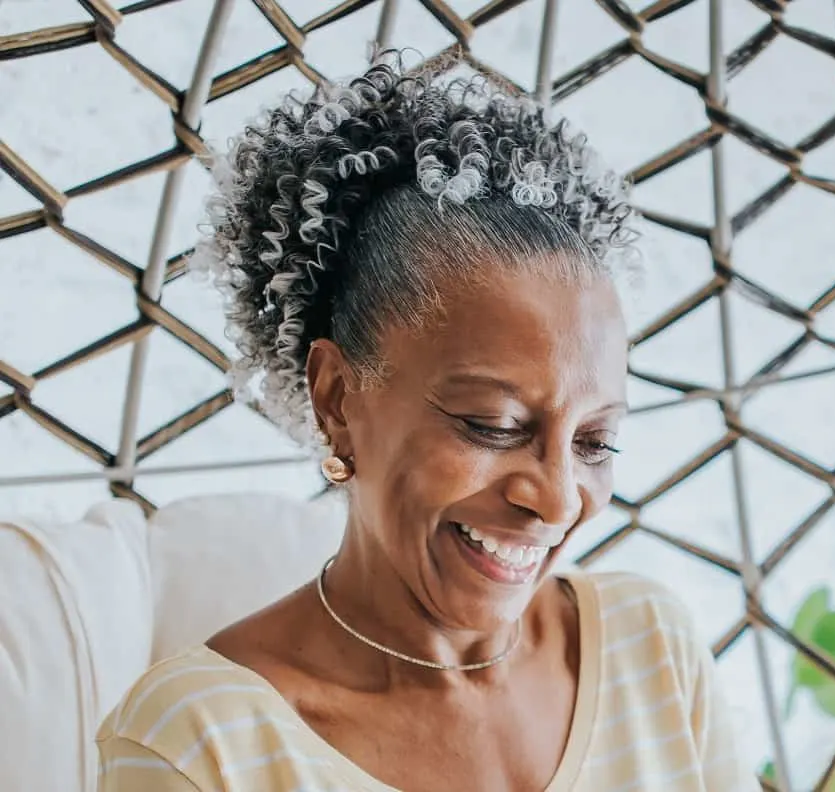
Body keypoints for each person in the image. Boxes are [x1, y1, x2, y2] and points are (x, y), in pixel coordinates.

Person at [96, 56, 760, 791]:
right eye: (493, 425)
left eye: (593, 442)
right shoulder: (199, 744)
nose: (559, 498)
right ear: (338, 400)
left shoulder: (650, 650)